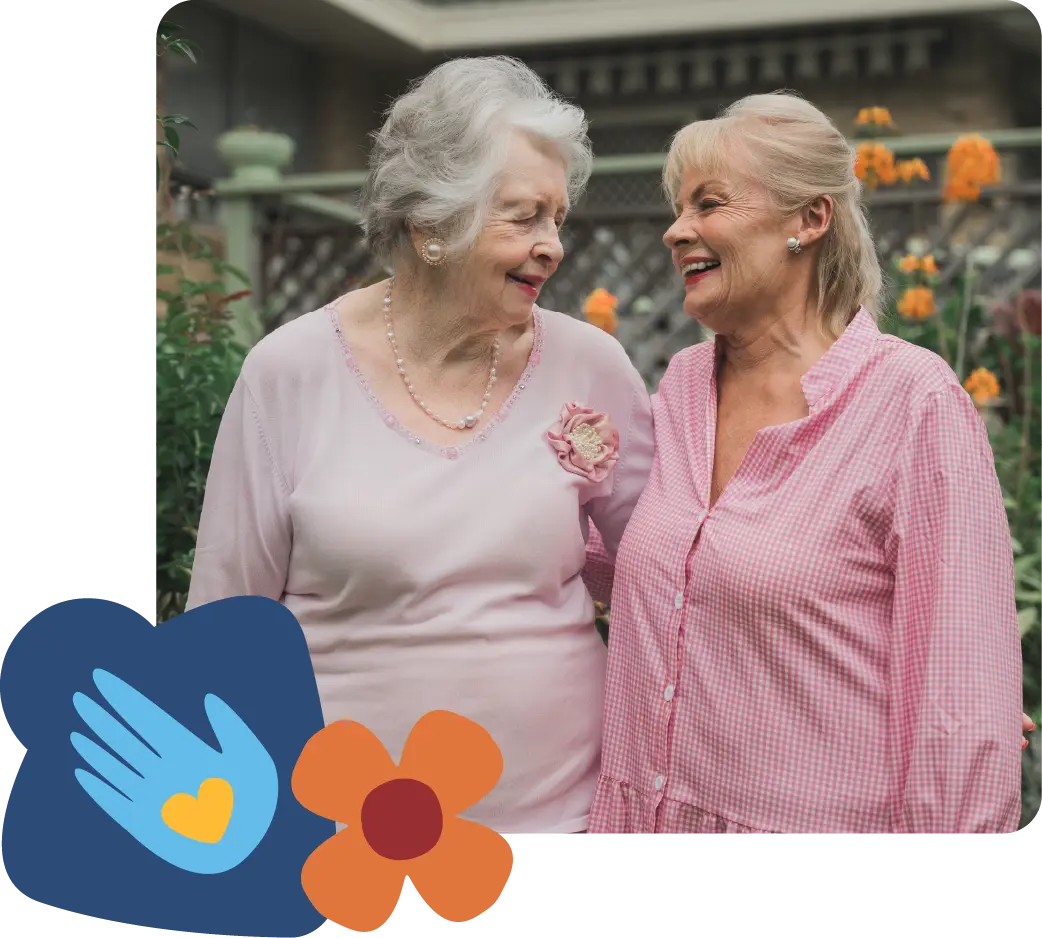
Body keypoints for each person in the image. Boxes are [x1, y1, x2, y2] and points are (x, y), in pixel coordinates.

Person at [185, 56, 654, 842]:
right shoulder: (291, 372)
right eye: (523, 216)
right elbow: (228, 621)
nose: (552, 247)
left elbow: (665, 567)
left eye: (558, 220)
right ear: (431, 225)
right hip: (339, 839)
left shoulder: (591, 366)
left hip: (559, 818)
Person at [583, 92, 1030, 835]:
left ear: (809, 219)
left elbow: (959, 695)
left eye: (708, 204)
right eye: (678, 208)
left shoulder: (912, 401)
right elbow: (617, 562)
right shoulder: (683, 386)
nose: (675, 230)